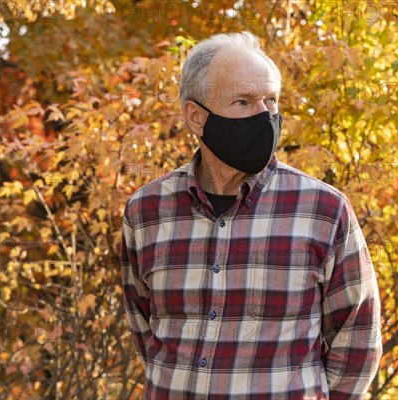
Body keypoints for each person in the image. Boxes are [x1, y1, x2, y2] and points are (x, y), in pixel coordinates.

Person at [120, 31, 382, 399]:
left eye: (271, 101)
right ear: (196, 117)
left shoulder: (324, 211)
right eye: (243, 101)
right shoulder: (146, 211)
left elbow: (358, 340)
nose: (264, 117)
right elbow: (145, 329)